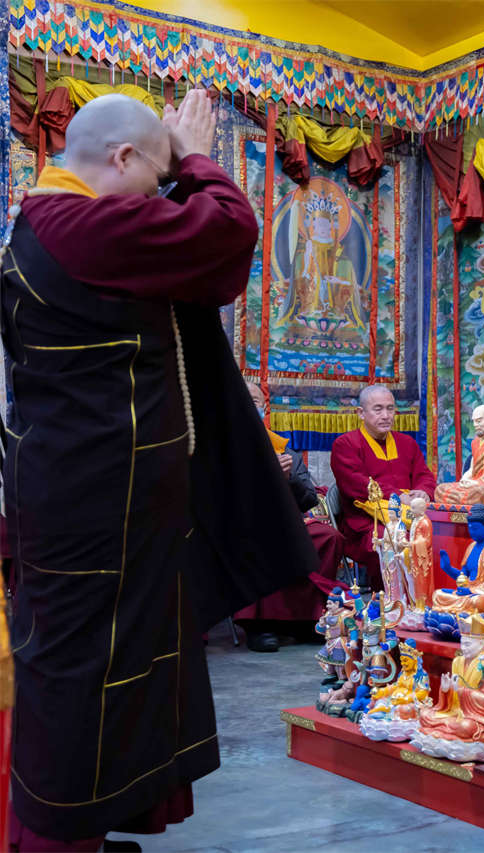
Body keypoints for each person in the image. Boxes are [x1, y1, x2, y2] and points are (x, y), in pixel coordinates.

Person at [1, 91, 315, 850]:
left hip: (95, 507)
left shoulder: (54, 222)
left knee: (107, 684)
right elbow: (229, 229)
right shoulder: (79, 225)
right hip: (97, 517)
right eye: (154, 177)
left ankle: (87, 829)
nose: (159, 196)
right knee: (80, 693)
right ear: (121, 158)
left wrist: (172, 168)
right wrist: (195, 157)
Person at [234, 380, 345, 653]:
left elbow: (308, 499)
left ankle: (307, 619)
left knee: (328, 537)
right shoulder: (224, 446)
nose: (249, 406)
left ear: (265, 408)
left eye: (255, 402)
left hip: (286, 522)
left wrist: (287, 479)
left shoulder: (282, 449)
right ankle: (259, 626)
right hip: (242, 524)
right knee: (261, 540)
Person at [330, 383, 436, 586]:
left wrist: (423, 492)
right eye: (378, 409)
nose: (386, 415)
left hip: (410, 515)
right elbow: (357, 484)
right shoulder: (346, 444)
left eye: (390, 408)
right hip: (366, 525)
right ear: (361, 413)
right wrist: (398, 496)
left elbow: (424, 475)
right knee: (392, 539)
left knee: (437, 532)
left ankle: (427, 594)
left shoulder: (407, 443)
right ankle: (392, 598)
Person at [434, 404, 484, 505]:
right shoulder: (475, 442)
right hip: (474, 485)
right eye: (474, 421)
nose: (475, 425)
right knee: (440, 489)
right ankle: (465, 499)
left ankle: (464, 499)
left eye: (479, 421)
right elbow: (472, 469)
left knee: (483, 492)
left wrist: (478, 483)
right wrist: (464, 480)